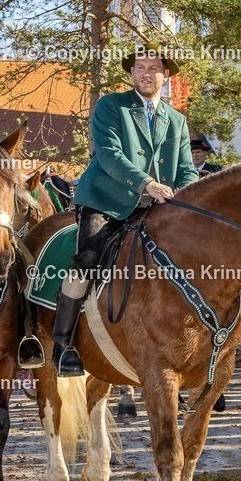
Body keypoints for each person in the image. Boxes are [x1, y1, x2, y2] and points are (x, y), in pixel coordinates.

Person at [52, 44, 198, 377]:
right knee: (87, 258)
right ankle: (63, 345)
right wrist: (147, 183)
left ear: (166, 76)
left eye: (153, 68)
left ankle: (194, 351)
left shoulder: (176, 120)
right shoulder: (111, 107)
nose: (147, 73)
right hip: (107, 201)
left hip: (160, 206)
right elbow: (109, 154)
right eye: (140, 68)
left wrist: (188, 196)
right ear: (132, 74)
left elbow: (187, 168)